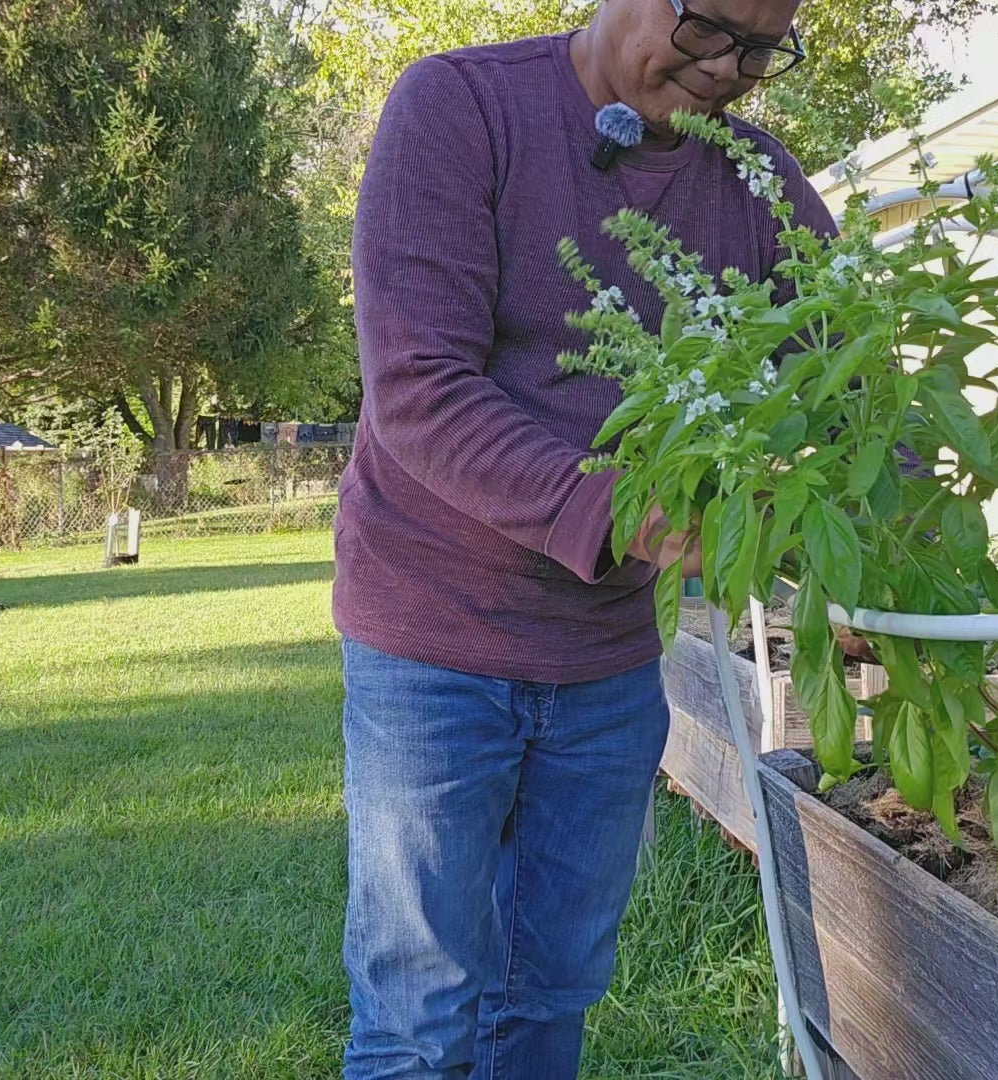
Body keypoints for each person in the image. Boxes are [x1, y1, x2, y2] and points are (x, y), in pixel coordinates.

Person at [332, 0, 839, 1075]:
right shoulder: (460, 108)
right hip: (435, 637)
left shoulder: (757, 181)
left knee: (550, 989)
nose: (728, 69)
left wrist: (907, 518)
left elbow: (848, 372)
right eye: (707, 29)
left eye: (762, 48)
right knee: (420, 1016)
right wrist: (633, 513)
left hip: (603, 659)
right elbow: (418, 388)